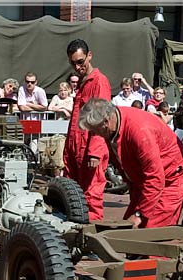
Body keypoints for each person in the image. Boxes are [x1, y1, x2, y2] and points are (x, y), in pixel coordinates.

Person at [79, 98, 183, 280]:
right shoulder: (115, 127)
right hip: (147, 183)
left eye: (95, 131)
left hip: (170, 181)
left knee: (151, 236)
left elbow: (156, 177)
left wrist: (140, 213)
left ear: (106, 122)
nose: (94, 135)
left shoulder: (138, 130)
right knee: (127, 232)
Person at [62, 39, 111, 221]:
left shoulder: (99, 82)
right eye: (73, 63)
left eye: (80, 61)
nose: (77, 66)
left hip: (89, 150)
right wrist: (68, 151)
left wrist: (95, 152)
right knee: (72, 196)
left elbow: (101, 118)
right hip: (77, 149)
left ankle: (91, 239)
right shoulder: (84, 83)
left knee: (91, 197)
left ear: (89, 56)